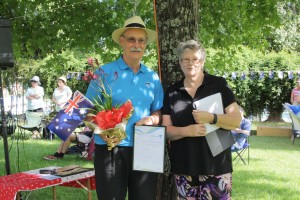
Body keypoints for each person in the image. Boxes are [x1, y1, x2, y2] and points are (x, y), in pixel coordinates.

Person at [85, 16, 163, 200]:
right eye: (131, 39)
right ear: (122, 41)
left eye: (141, 40)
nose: (136, 44)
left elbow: (158, 110)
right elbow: (87, 110)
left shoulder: (152, 77)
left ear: (145, 44)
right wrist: (101, 130)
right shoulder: (103, 72)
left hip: (146, 146)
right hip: (111, 148)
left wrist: (152, 119)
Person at [162, 40, 241, 199]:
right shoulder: (172, 92)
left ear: (202, 62)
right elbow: (165, 131)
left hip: (217, 166)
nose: (191, 63)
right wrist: (187, 131)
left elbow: (236, 120)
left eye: (195, 59)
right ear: (180, 62)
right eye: (186, 59)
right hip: (184, 166)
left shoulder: (218, 84)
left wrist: (212, 117)